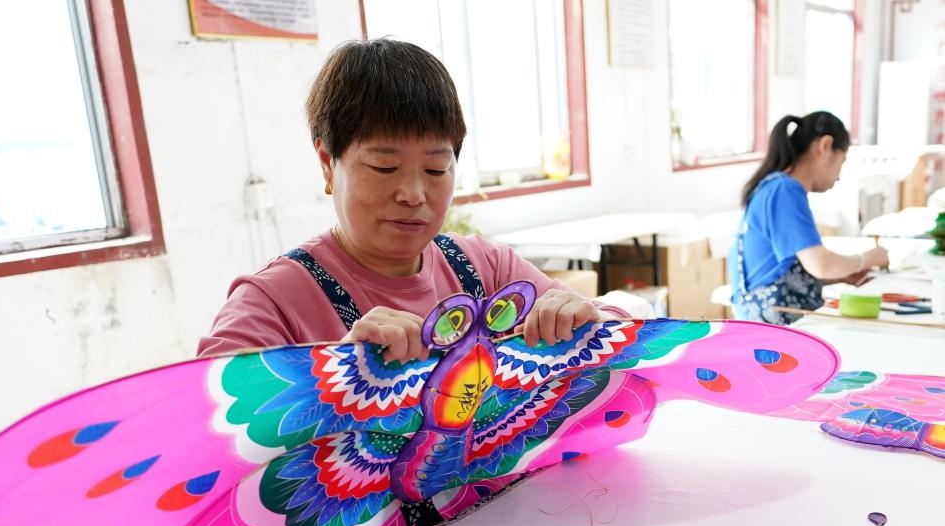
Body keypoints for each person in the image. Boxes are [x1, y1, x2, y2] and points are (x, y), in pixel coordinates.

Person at [198, 38, 626, 361]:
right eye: (384, 167)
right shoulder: (275, 301)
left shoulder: (485, 269)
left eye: (436, 169)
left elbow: (623, 332)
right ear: (328, 162)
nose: (413, 194)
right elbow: (199, 418)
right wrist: (333, 372)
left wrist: (585, 317)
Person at [729, 111, 889, 325]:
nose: (839, 176)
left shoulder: (776, 187)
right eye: (841, 162)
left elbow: (786, 270)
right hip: (770, 326)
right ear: (825, 146)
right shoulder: (785, 190)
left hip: (766, 317)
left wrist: (843, 274)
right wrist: (868, 258)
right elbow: (821, 264)